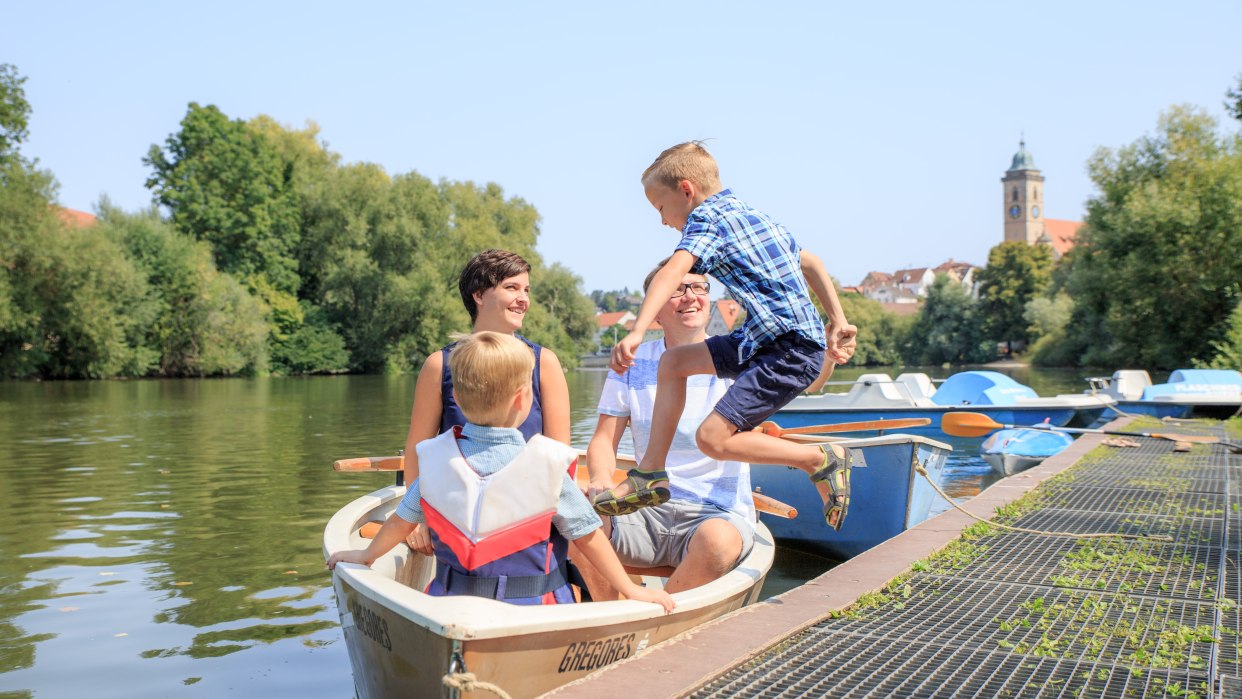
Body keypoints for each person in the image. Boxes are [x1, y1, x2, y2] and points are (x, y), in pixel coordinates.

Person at [595, 141, 859, 531]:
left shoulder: (707, 221)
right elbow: (813, 263)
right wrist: (836, 318)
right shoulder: (757, 217)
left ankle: (819, 459)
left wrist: (636, 329)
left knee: (712, 440)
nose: (664, 221)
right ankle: (651, 473)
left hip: (787, 349)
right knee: (674, 362)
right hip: (763, 339)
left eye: (661, 208)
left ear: (687, 191)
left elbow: (671, 272)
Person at [328, 332, 674, 612]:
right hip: (534, 611)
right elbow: (588, 536)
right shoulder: (549, 468)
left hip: (449, 607)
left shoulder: (436, 462)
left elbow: (401, 521)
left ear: (458, 402)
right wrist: (629, 588)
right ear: (523, 400)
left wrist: (365, 555)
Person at [585, 260, 754, 595]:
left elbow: (806, 381)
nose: (690, 296)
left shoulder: (738, 359)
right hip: (644, 508)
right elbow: (604, 441)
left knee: (717, 543)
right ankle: (610, 615)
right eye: (677, 289)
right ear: (655, 312)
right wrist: (599, 480)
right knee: (576, 516)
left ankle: (656, 616)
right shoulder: (631, 362)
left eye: (698, 288)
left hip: (714, 514)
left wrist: (827, 357)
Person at [401, 249, 571, 553]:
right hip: (460, 516)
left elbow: (560, 454)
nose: (524, 299)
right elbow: (418, 448)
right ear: (479, 295)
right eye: (511, 287)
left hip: (529, 514)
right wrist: (417, 519)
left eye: (526, 290)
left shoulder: (545, 362)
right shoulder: (440, 366)